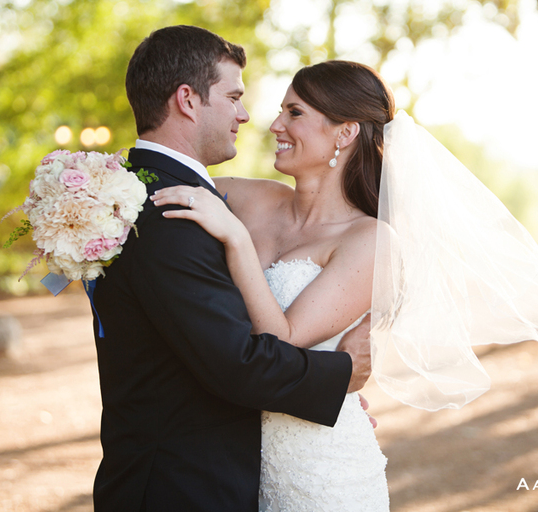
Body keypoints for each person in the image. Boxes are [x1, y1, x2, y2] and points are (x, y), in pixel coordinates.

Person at [89, 26, 373, 512]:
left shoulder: (167, 200)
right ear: (187, 100)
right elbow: (242, 364)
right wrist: (341, 375)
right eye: (235, 96)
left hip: (298, 462)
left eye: (294, 112)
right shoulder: (186, 206)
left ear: (346, 133)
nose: (258, 119)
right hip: (190, 475)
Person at [153, 60, 394, 511]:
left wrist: (236, 239)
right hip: (234, 457)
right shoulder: (253, 198)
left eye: (295, 113)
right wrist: (77, 192)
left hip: (320, 471)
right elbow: (154, 181)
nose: (274, 124)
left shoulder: (369, 240)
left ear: (345, 133)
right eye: (281, 110)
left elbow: (281, 341)